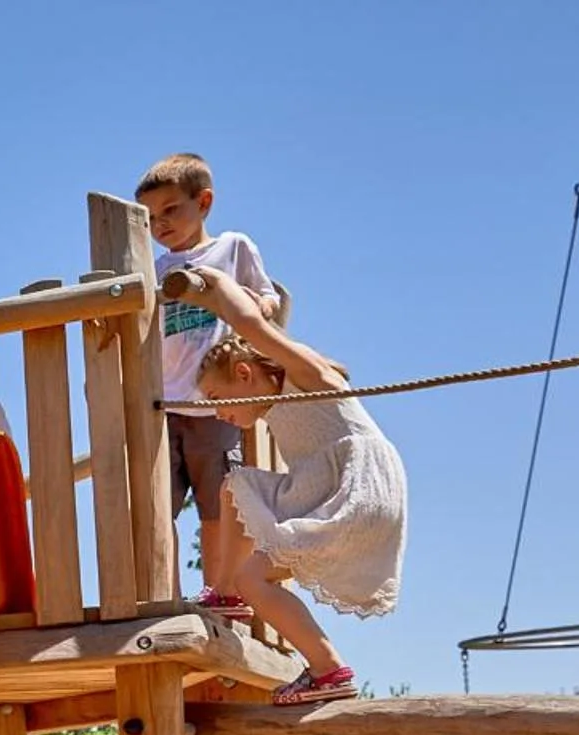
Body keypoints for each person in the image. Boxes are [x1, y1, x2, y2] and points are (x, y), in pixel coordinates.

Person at [180, 265, 407, 703]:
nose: (216, 412)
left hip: (358, 487)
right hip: (327, 486)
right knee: (234, 490)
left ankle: (328, 670)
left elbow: (252, 329)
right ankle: (228, 594)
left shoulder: (305, 377)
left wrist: (220, 288)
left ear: (244, 375)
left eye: (216, 399)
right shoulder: (273, 397)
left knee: (255, 574)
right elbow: (254, 340)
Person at [136, 153, 284, 616]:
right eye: (152, 218)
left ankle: (222, 589)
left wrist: (260, 307)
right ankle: (166, 593)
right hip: (165, 401)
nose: (161, 225)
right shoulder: (155, 269)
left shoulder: (232, 248)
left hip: (214, 403)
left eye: (171, 210)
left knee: (217, 501)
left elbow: (267, 297)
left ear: (203, 202)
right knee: (160, 502)